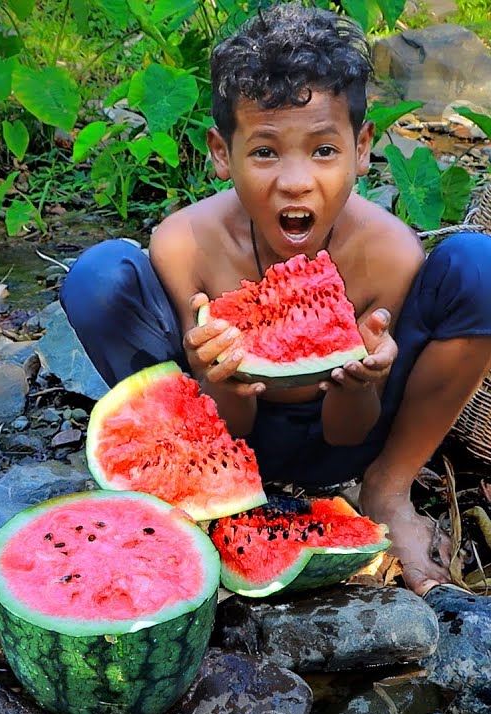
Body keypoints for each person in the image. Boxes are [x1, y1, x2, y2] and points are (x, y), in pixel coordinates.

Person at [60, 3, 491, 595]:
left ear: (362, 149)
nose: (294, 180)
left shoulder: (389, 254)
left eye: (323, 150)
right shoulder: (185, 245)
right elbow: (228, 422)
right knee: (98, 277)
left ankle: (389, 492)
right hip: (225, 439)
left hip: (352, 442)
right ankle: (198, 497)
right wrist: (218, 379)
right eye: (265, 151)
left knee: (480, 267)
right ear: (221, 152)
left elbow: (348, 432)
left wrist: (361, 381)